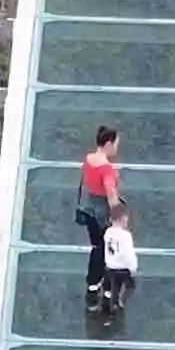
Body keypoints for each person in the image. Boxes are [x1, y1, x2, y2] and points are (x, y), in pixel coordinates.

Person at [76, 125, 122, 299]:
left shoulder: (89, 159)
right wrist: (119, 217)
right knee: (107, 247)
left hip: (88, 209)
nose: (117, 148)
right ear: (108, 143)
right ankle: (102, 284)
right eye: (116, 144)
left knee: (96, 245)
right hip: (102, 212)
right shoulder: (106, 169)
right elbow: (111, 195)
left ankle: (93, 282)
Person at [98, 211, 138, 318]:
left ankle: (107, 301)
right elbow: (128, 253)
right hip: (123, 268)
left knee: (110, 287)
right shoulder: (126, 236)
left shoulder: (108, 233)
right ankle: (118, 303)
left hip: (110, 267)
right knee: (129, 286)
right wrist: (133, 267)